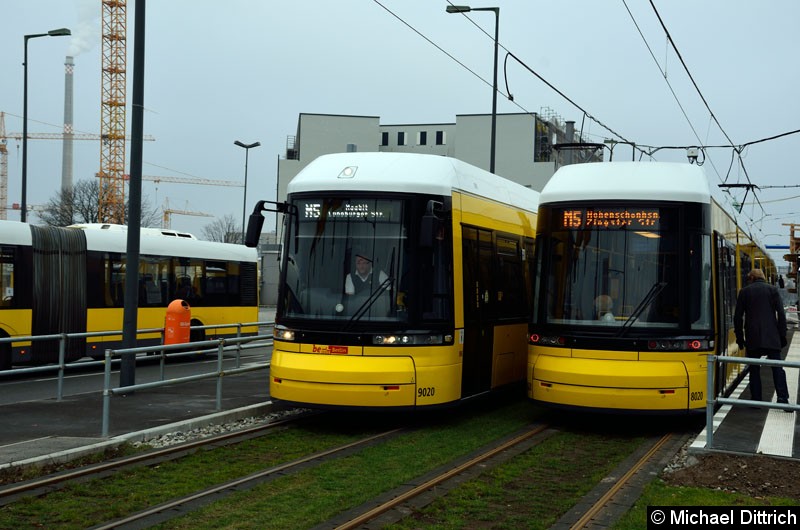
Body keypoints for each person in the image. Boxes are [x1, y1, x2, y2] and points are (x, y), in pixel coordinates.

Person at [734, 268, 790, 407]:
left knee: (754, 369)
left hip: (753, 337)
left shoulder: (744, 292)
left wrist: (740, 338)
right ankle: (782, 398)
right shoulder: (773, 290)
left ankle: (756, 400)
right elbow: (781, 315)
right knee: (777, 368)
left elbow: (737, 318)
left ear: (751, 278)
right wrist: (782, 335)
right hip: (772, 337)